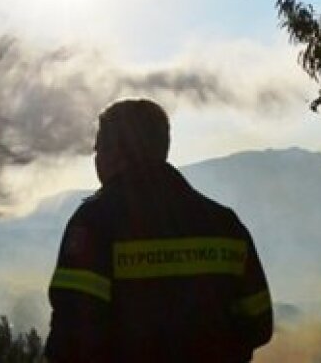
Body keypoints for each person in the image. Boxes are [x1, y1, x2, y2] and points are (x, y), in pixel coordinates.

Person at [45, 98, 273, 362]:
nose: (97, 160)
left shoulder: (96, 223)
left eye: (99, 150)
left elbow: (71, 335)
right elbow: (260, 325)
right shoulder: (224, 224)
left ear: (117, 153)